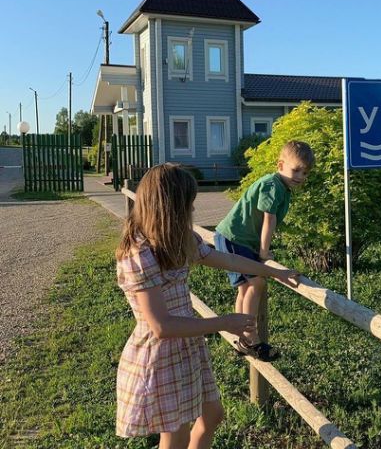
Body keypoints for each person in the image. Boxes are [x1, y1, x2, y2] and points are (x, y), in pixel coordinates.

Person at [115, 163, 299, 448]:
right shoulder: (140, 255)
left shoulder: (178, 239)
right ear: (169, 208)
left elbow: (227, 259)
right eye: (188, 203)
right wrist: (225, 322)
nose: (192, 209)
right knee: (175, 435)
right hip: (160, 354)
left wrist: (272, 272)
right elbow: (161, 326)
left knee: (212, 415)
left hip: (187, 344)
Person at [214, 140, 314, 362]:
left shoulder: (282, 187)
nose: (300, 176)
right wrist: (263, 253)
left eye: (305, 173)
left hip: (234, 237)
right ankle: (252, 338)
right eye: (296, 170)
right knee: (257, 282)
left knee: (244, 289)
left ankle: (242, 336)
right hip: (235, 238)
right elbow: (269, 220)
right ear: (280, 165)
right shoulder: (273, 185)